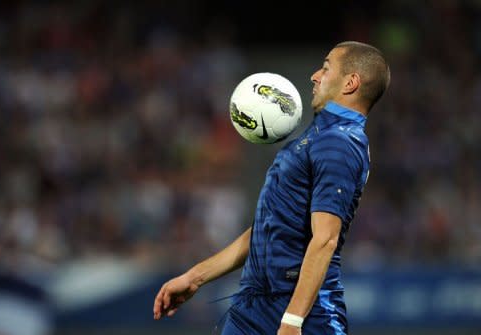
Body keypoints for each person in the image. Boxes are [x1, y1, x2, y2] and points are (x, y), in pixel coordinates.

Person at [153, 41, 390, 335]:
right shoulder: (316, 138)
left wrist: (293, 319)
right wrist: (196, 276)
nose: (315, 75)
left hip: (305, 310)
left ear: (351, 83)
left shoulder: (339, 143)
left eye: (326, 68)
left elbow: (326, 239)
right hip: (253, 304)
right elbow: (268, 227)